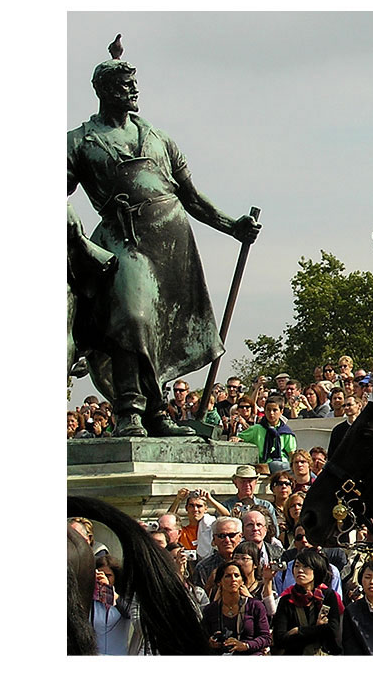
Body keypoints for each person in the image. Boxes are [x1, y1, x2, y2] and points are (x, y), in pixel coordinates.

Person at [68, 50, 260, 438]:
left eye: (134, 84)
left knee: (158, 332)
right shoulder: (79, 141)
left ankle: (155, 414)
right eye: (124, 85)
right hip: (123, 240)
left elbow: (191, 196)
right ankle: (128, 411)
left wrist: (232, 225)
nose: (133, 90)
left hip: (173, 243)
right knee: (131, 319)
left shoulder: (158, 137)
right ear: (103, 90)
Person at [271, 549, 342, 655]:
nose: (300, 570)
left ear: (316, 569)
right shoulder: (286, 600)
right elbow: (280, 639)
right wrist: (317, 629)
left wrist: (298, 631)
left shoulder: (327, 596)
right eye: (297, 566)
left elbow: (332, 630)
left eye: (305, 566)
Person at [201, 560, 272, 655]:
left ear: (242, 580)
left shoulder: (255, 606)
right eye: (228, 576)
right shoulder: (210, 610)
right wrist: (210, 642)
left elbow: (266, 638)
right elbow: (202, 637)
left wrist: (246, 645)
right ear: (219, 582)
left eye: (236, 575)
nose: (233, 579)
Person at [238, 397, 296, 474]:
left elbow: (291, 454)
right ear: (264, 411)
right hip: (267, 462)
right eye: (268, 410)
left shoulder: (286, 432)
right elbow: (239, 437)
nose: (271, 413)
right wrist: (236, 438)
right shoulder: (257, 429)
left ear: (281, 411)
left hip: (283, 462)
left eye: (275, 410)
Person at [92, 554, 132, 655]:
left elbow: (129, 613)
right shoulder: (90, 599)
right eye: (101, 574)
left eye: (108, 575)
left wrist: (111, 594)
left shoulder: (123, 598)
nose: (104, 578)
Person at [219, 465, 278, 532]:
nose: (247, 485)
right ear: (235, 483)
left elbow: (274, 530)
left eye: (250, 481)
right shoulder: (225, 506)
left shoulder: (266, 505)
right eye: (243, 481)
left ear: (255, 482)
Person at [193, 516, 244, 591]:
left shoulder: (249, 563)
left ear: (240, 536)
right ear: (214, 539)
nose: (227, 540)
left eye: (231, 535)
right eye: (222, 536)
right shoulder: (203, 567)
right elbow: (198, 599)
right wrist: (210, 584)